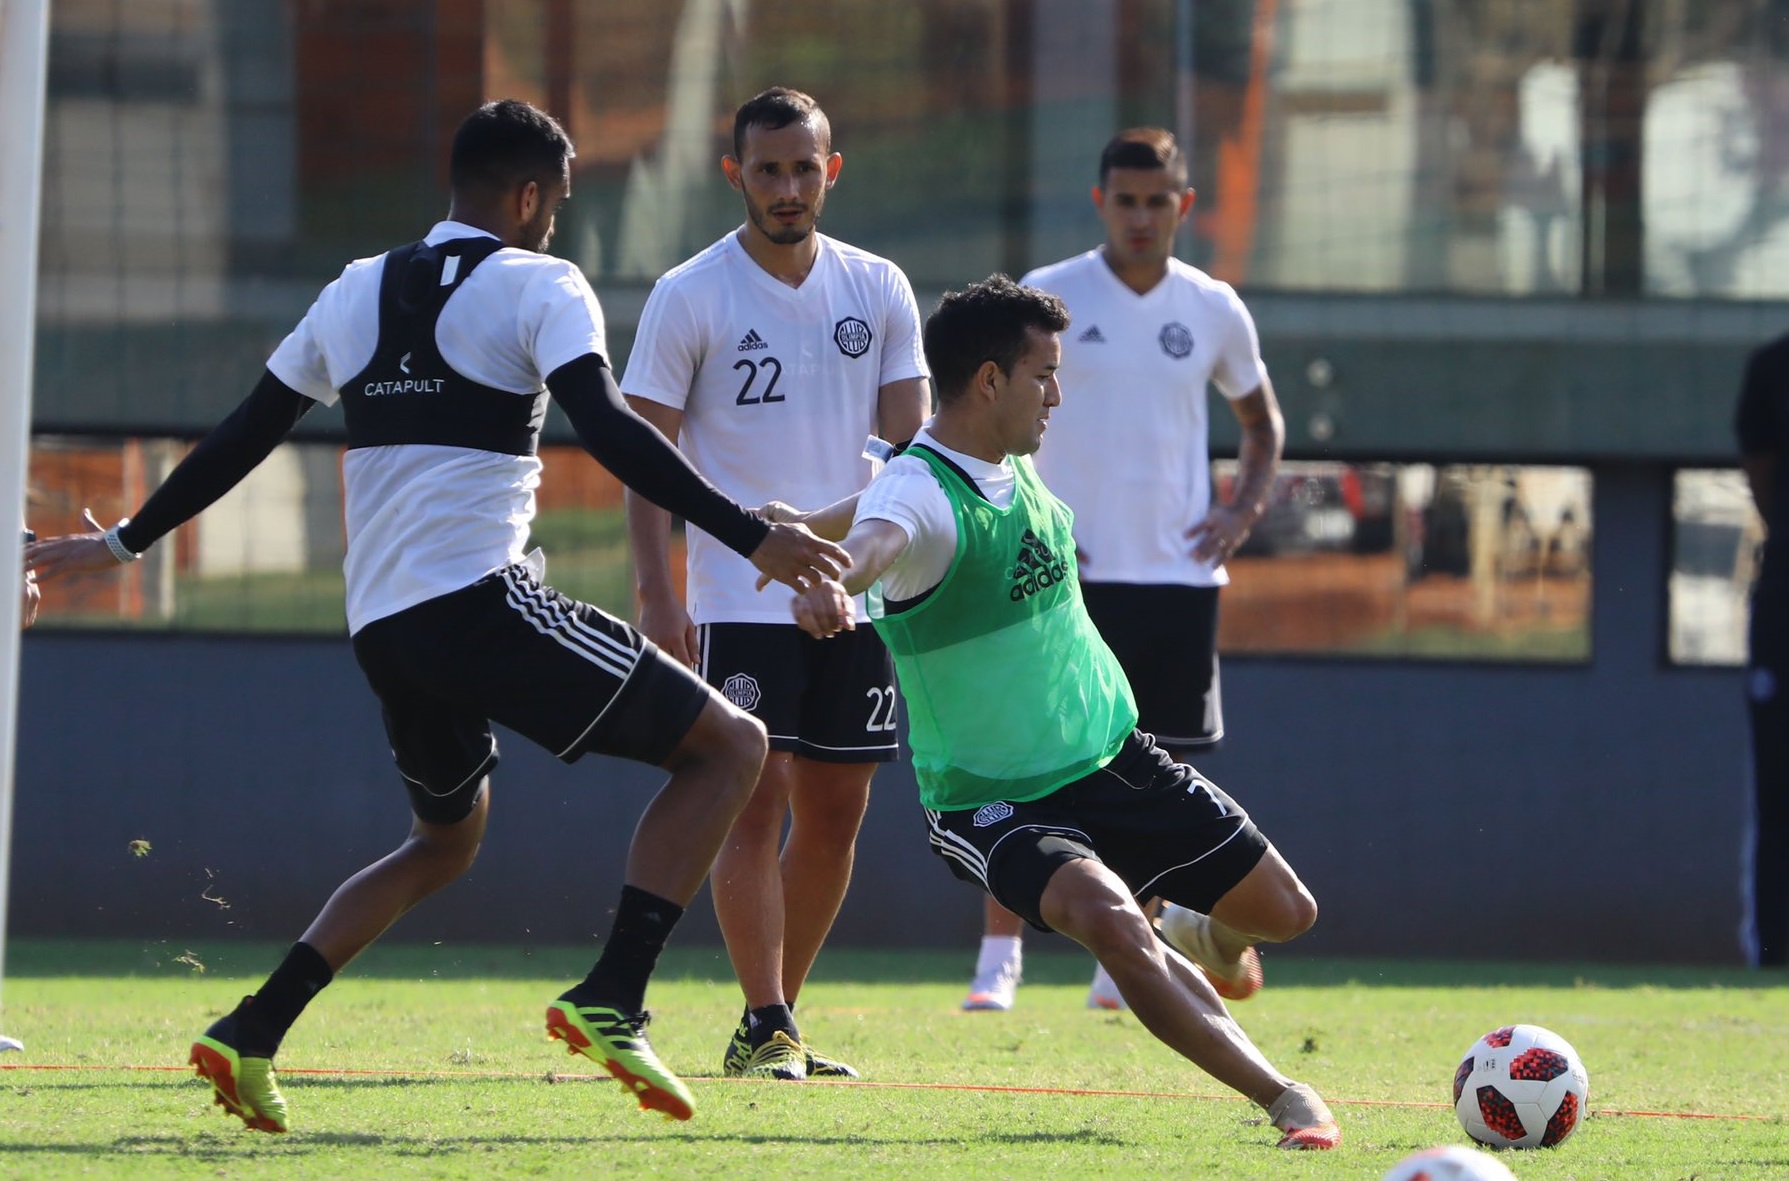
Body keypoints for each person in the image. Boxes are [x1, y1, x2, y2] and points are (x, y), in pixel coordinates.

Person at [24, 99, 850, 1132]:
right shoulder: (542, 281)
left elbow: (246, 429)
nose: (556, 221)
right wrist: (748, 533)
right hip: (480, 601)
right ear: (530, 196)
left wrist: (122, 542)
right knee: (731, 745)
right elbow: (605, 427)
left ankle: (252, 1026)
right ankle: (614, 993)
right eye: (558, 202)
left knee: (444, 841)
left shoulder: (354, 287)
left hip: (383, 628)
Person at [774, 274, 1338, 1150]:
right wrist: (831, 578)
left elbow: (888, 484)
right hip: (996, 799)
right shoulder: (921, 496)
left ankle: (1200, 930)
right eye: (1045, 374)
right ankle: (1281, 1093)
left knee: (1286, 912)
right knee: (1112, 920)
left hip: (1115, 758)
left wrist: (806, 527)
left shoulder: (998, 457)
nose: (1058, 393)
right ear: (991, 381)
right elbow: (885, 529)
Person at [621, 87, 929, 1080]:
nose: (788, 187)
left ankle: (775, 1020)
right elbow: (643, 458)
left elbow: (909, 450)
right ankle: (768, 1017)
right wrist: (660, 595)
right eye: (769, 169)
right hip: (732, 595)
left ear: (831, 170)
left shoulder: (878, 286)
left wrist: (848, 564)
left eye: (805, 168)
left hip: (859, 590)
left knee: (837, 806)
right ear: (735, 175)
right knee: (751, 800)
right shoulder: (689, 293)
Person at [963, 127, 1285, 1013]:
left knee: (1152, 771)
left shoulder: (1214, 307)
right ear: (1101, 201)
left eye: (1158, 201)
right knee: (1024, 760)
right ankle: (998, 962)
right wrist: (1034, 526)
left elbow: (1262, 423)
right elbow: (990, 428)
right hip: (1061, 577)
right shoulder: (1049, 298)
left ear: (1184, 205)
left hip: (1177, 582)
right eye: (1126, 199)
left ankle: (1123, 958)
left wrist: (1238, 511)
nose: (1141, 216)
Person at [1738, 333, 1788, 968]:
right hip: (1784, 602)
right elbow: (1762, 477)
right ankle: (1774, 955)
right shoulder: (1774, 366)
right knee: (1778, 785)